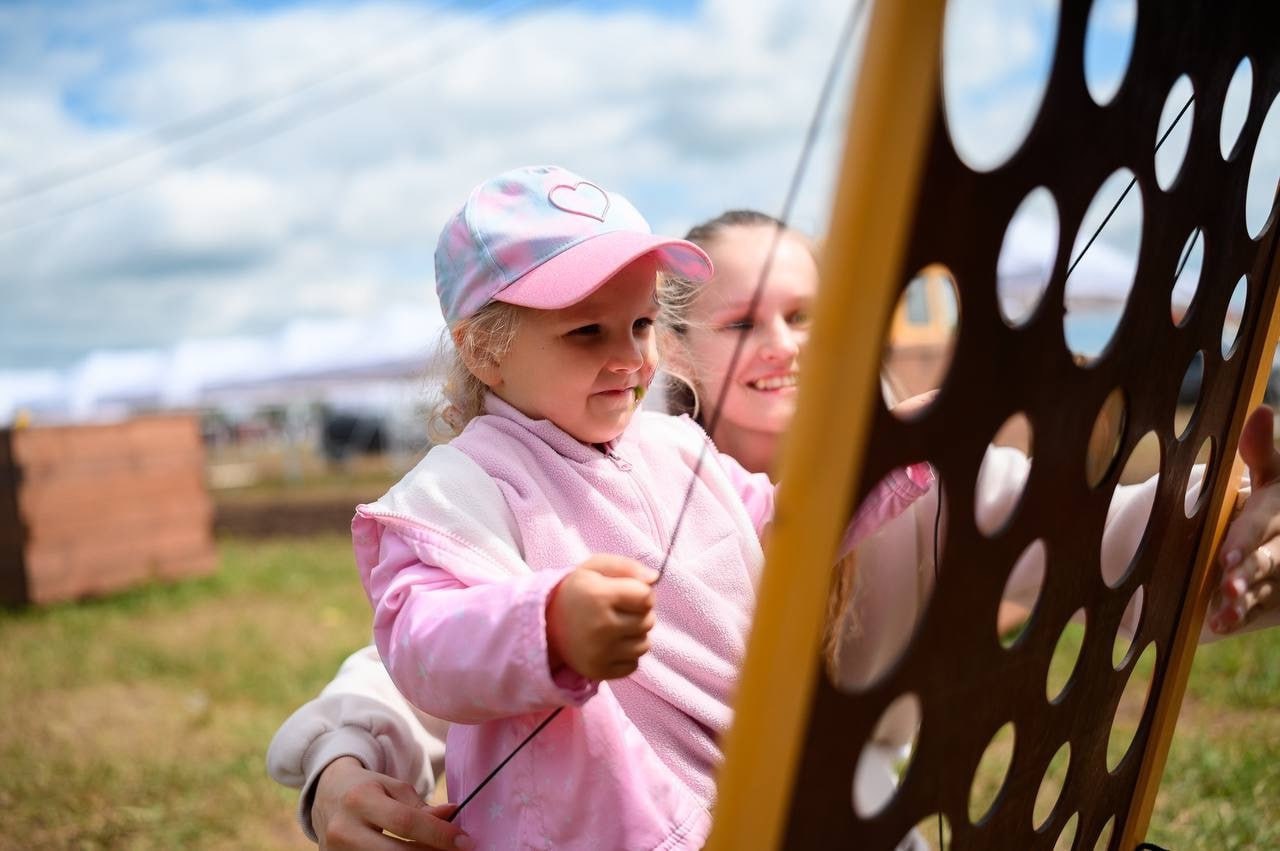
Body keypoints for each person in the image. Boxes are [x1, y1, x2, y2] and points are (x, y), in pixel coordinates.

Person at [268, 200, 1280, 848]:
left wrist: (1234, 517)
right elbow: (423, 636)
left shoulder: (896, 480)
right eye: (745, 319)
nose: (785, 344)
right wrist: (341, 764)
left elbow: (1103, 532)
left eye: (807, 314)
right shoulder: (589, 481)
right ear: (683, 350)